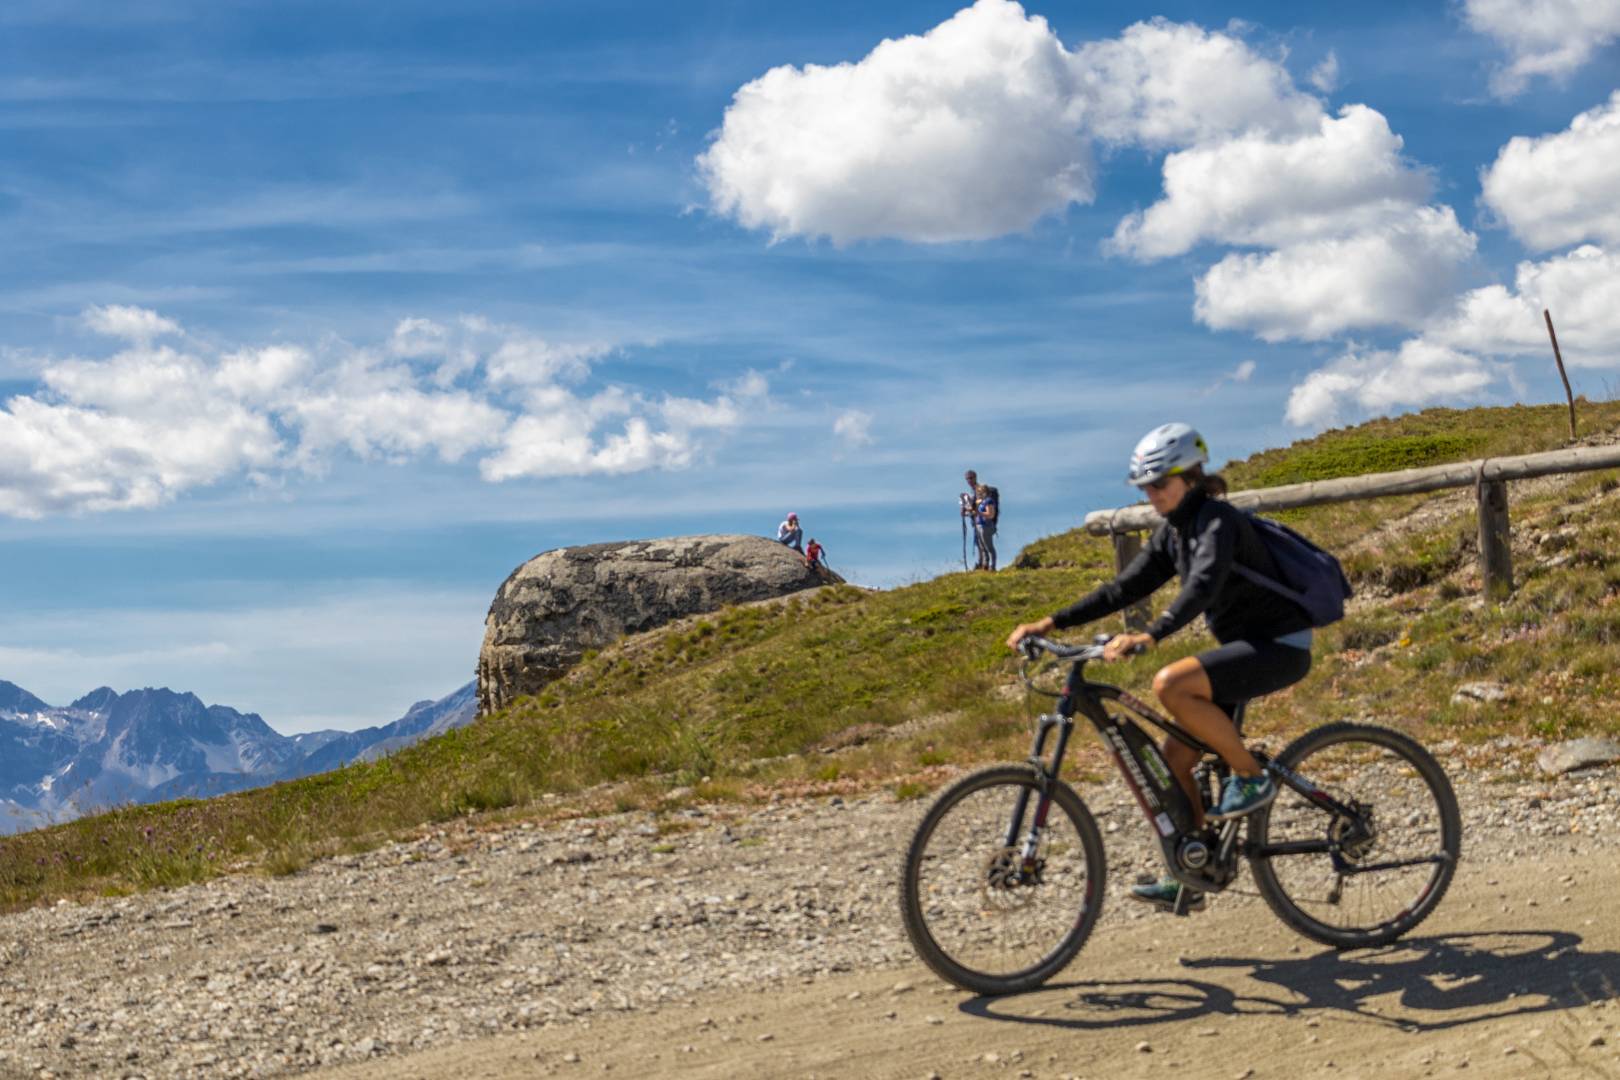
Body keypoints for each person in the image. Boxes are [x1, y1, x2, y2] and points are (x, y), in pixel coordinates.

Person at [1005, 423, 1314, 914]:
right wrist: (1051, 620)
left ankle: (1251, 776)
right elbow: (1123, 588)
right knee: (1174, 759)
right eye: (1145, 488)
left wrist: (1155, 632)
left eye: (1159, 485)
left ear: (1189, 476)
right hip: (1241, 649)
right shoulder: (1173, 533)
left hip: (1277, 646)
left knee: (1170, 684)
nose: (1151, 495)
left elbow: (1205, 584)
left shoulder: (1216, 521)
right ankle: (1191, 873)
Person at [975, 482, 999, 571]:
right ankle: (985, 565)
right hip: (980, 525)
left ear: (985, 491)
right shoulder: (982, 501)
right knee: (982, 547)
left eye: (980, 492)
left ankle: (992, 566)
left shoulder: (989, 501)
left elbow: (990, 514)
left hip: (986, 526)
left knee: (989, 547)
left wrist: (979, 512)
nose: (979, 494)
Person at [961, 470, 983, 569]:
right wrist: (966, 512)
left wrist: (968, 509)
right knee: (978, 542)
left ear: (975, 477)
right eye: (967, 479)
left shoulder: (979, 490)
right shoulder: (972, 491)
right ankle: (981, 562)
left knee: (982, 542)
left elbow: (978, 506)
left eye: (971, 478)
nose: (969, 480)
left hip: (982, 520)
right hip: (975, 520)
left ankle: (983, 563)